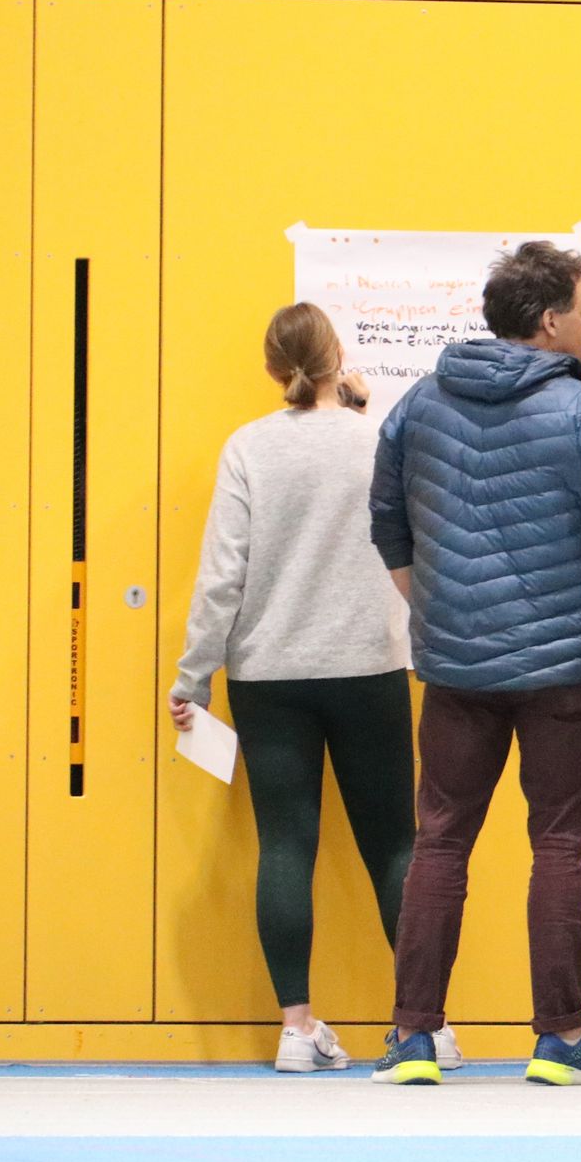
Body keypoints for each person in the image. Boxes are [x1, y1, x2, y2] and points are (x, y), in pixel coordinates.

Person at [368, 241, 581, 1086]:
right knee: (559, 843)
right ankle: (560, 1038)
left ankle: (413, 1037)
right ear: (550, 321)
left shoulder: (417, 404)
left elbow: (387, 525)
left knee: (441, 841)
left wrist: (439, 609)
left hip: (454, 669)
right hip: (564, 667)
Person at [169, 303, 445, 1074]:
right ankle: (425, 1026)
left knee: (285, 844)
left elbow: (222, 576)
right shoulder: (378, 441)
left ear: (271, 367)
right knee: (394, 844)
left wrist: (194, 676)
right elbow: (419, 542)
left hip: (270, 675)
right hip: (369, 665)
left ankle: (297, 1029)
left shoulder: (249, 448)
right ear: (337, 358)